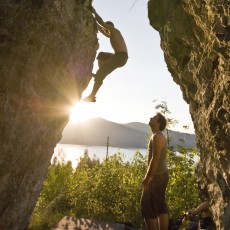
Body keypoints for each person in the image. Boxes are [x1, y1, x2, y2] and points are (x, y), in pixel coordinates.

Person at [83, 6, 128, 102]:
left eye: (107, 28)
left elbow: (102, 23)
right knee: (101, 55)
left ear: (110, 27)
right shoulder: (112, 34)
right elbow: (102, 29)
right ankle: (100, 74)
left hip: (120, 57)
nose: (106, 31)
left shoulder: (115, 31)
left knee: (101, 74)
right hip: (119, 56)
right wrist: (92, 19)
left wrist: (94, 12)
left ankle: (92, 95)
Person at [140, 113, 169, 230]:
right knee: (161, 206)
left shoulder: (157, 136)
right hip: (162, 175)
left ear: (159, 123)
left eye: (154, 118)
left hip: (156, 177)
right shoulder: (158, 135)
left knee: (147, 207)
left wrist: (147, 178)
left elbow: (155, 158)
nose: (151, 118)